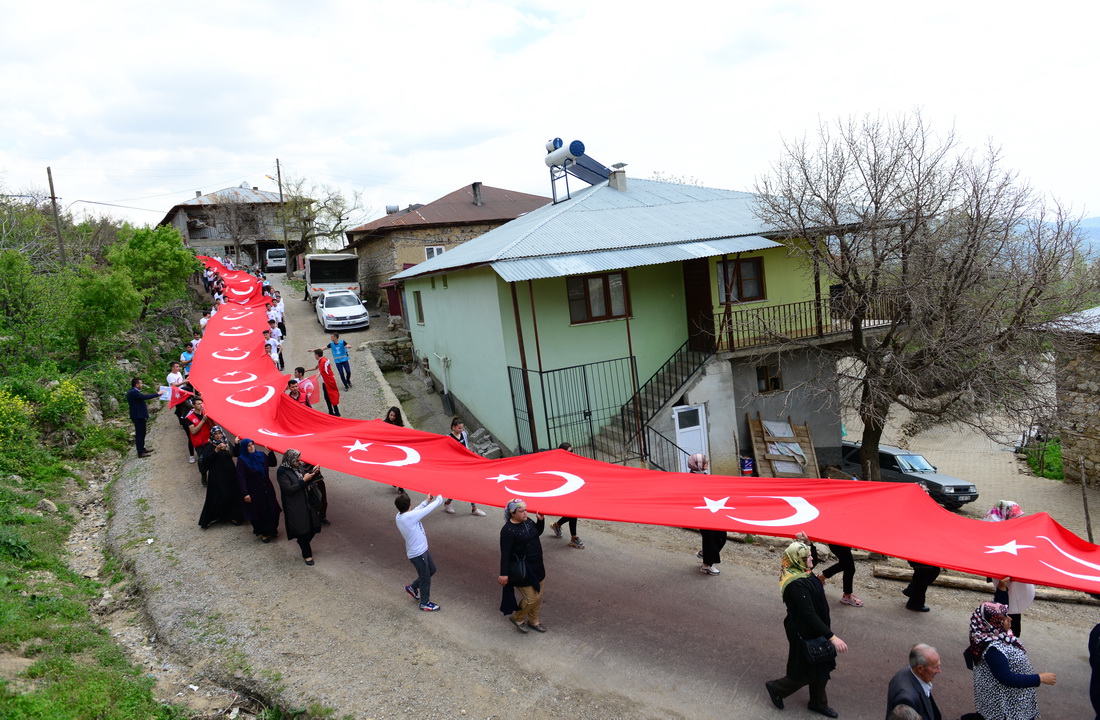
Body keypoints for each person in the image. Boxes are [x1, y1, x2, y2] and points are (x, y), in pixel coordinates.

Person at [764, 540, 847, 718]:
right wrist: (832, 637)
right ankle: (777, 688)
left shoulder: (802, 570)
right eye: (807, 556)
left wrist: (809, 543)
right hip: (804, 632)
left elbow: (812, 561)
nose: (811, 559)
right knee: (808, 670)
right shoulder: (796, 584)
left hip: (815, 628)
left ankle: (818, 702)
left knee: (821, 664)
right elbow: (808, 614)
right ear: (797, 559)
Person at [967, 601, 1056, 720]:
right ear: (994, 622)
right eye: (1004, 617)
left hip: (1012, 701)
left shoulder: (998, 634)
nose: (1010, 619)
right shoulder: (992, 649)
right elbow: (1006, 678)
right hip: (1005, 708)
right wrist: (1040, 678)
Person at [984, 500, 1034, 637]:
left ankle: (1008, 633)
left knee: (1011, 603)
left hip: (1010, 574)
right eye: (1014, 517)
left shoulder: (1006, 527)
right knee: (1008, 604)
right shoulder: (995, 528)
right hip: (1004, 574)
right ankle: (1007, 634)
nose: (1017, 520)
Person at [499, 499, 548, 633]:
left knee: (538, 596)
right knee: (531, 598)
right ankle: (517, 617)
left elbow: (536, 533)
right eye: (521, 511)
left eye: (525, 510)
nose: (525, 513)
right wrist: (504, 574)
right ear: (512, 513)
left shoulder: (528, 521)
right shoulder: (507, 530)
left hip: (538, 566)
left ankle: (534, 621)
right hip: (522, 570)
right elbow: (505, 553)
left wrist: (540, 521)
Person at [395, 491, 445, 611]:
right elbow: (425, 511)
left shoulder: (400, 516)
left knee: (432, 569)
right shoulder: (409, 517)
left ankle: (412, 587)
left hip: (421, 551)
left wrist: (426, 501)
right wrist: (439, 500)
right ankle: (424, 603)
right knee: (425, 578)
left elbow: (416, 511)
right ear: (410, 504)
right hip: (418, 554)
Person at [276, 449, 323, 565]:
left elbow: (306, 480)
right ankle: (307, 555)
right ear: (290, 459)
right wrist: (303, 481)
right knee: (303, 530)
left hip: (307, 502)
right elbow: (289, 489)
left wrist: (314, 473)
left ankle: (302, 542)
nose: (299, 461)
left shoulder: (298, 467)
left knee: (314, 525)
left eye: (299, 459)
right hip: (295, 505)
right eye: (297, 460)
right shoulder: (282, 471)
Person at [197, 426, 243, 530]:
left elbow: (236, 453)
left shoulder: (226, 442)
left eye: (219, 433)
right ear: (212, 435)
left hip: (230, 473)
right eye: (216, 434)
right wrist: (216, 450)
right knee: (218, 495)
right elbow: (206, 461)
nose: (218, 436)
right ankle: (213, 517)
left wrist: (236, 444)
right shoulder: (209, 446)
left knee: (232, 493)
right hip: (217, 475)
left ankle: (233, 516)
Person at [236, 438, 281, 543]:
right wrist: (245, 493)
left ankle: (272, 529)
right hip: (254, 490)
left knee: (273, 509)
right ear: (244, 448)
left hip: (267, 487)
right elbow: (241, 478)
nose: (251, 447)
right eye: (248, 446)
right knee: (260, 512)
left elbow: (272, 463)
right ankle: (264, 533)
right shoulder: (242, 460)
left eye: (252, 444)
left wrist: (270, 453)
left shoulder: (261, 455)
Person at [886, 644, 943, 720]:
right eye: (935, 667)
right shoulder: (907, 700)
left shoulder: (910, 670)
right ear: (920, 668)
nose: (939, 671)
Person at [442, 418, 486, 516]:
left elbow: (466, 447)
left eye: (462, 428)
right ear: (453, 427)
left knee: (470, 485)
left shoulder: (464, 434)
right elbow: (447, 453)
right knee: (457, 487)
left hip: (466, 464)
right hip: (456, 467)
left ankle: (474, 508)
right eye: (459, 428)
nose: (461, 430)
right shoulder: (448, 438)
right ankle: (448, 503)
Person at [689, 453, 723, 574]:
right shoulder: (690, 479)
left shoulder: (705, 476)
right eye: (704, 461)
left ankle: (705, 553)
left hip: (713, 512)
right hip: (701, 514)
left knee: (721, 536)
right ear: (698, 464)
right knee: (710, 538)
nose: (707, 463)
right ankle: (707, 565)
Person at [550, 442, 584, 549]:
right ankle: (574, 537)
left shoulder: (574, 461)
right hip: (563, 492)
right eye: (569, 451)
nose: (571, 453)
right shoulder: (557, 464)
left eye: (572, 451)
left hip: (573, 490)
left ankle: (557, 525)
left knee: (573, 513)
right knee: (573, 513)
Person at [126, 378, 159, 458]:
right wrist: (157, 394)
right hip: (137, 416)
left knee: (142, 432)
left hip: (139, 415)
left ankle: (142, 448)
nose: (142, 385)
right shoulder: (133, 392)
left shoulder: (134, 391)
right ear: (136, 385)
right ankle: (140, 452)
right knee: (140, 434)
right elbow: (145, 397)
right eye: (141, 383)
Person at [185, 398, 214, 483]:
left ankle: (214, 478)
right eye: (198, 404)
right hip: (199, 444)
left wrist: (208, 420)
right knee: (202, 461)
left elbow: (212, 427)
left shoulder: (206, 414)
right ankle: (204, 476)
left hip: (209, 441)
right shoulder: (189, 417)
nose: (201, 405)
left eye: (201, 403)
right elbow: (193, 431)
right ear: (193, 405)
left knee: (213, 459)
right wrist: (203, 421)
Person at [308, 349, 340, 416]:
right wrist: (306, 370)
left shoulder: (322, 361)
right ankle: (333, 411)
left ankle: (334, 412)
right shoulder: (323, 360)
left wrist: (315, 378)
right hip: (328, 381)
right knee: (329, 396)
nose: (314, 356)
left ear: (317, 355)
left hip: (327, 381)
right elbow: (316, 368)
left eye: (315, 355)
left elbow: (320, 371)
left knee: (329, 396)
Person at [383, 406, 406, 493]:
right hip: (388, 450)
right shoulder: (384, 424)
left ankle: (400, 486)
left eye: (394, 416)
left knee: (400, 469)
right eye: (391, 415)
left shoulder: (399, 426)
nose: (392, 417)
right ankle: (394, 480)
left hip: (397, 451)